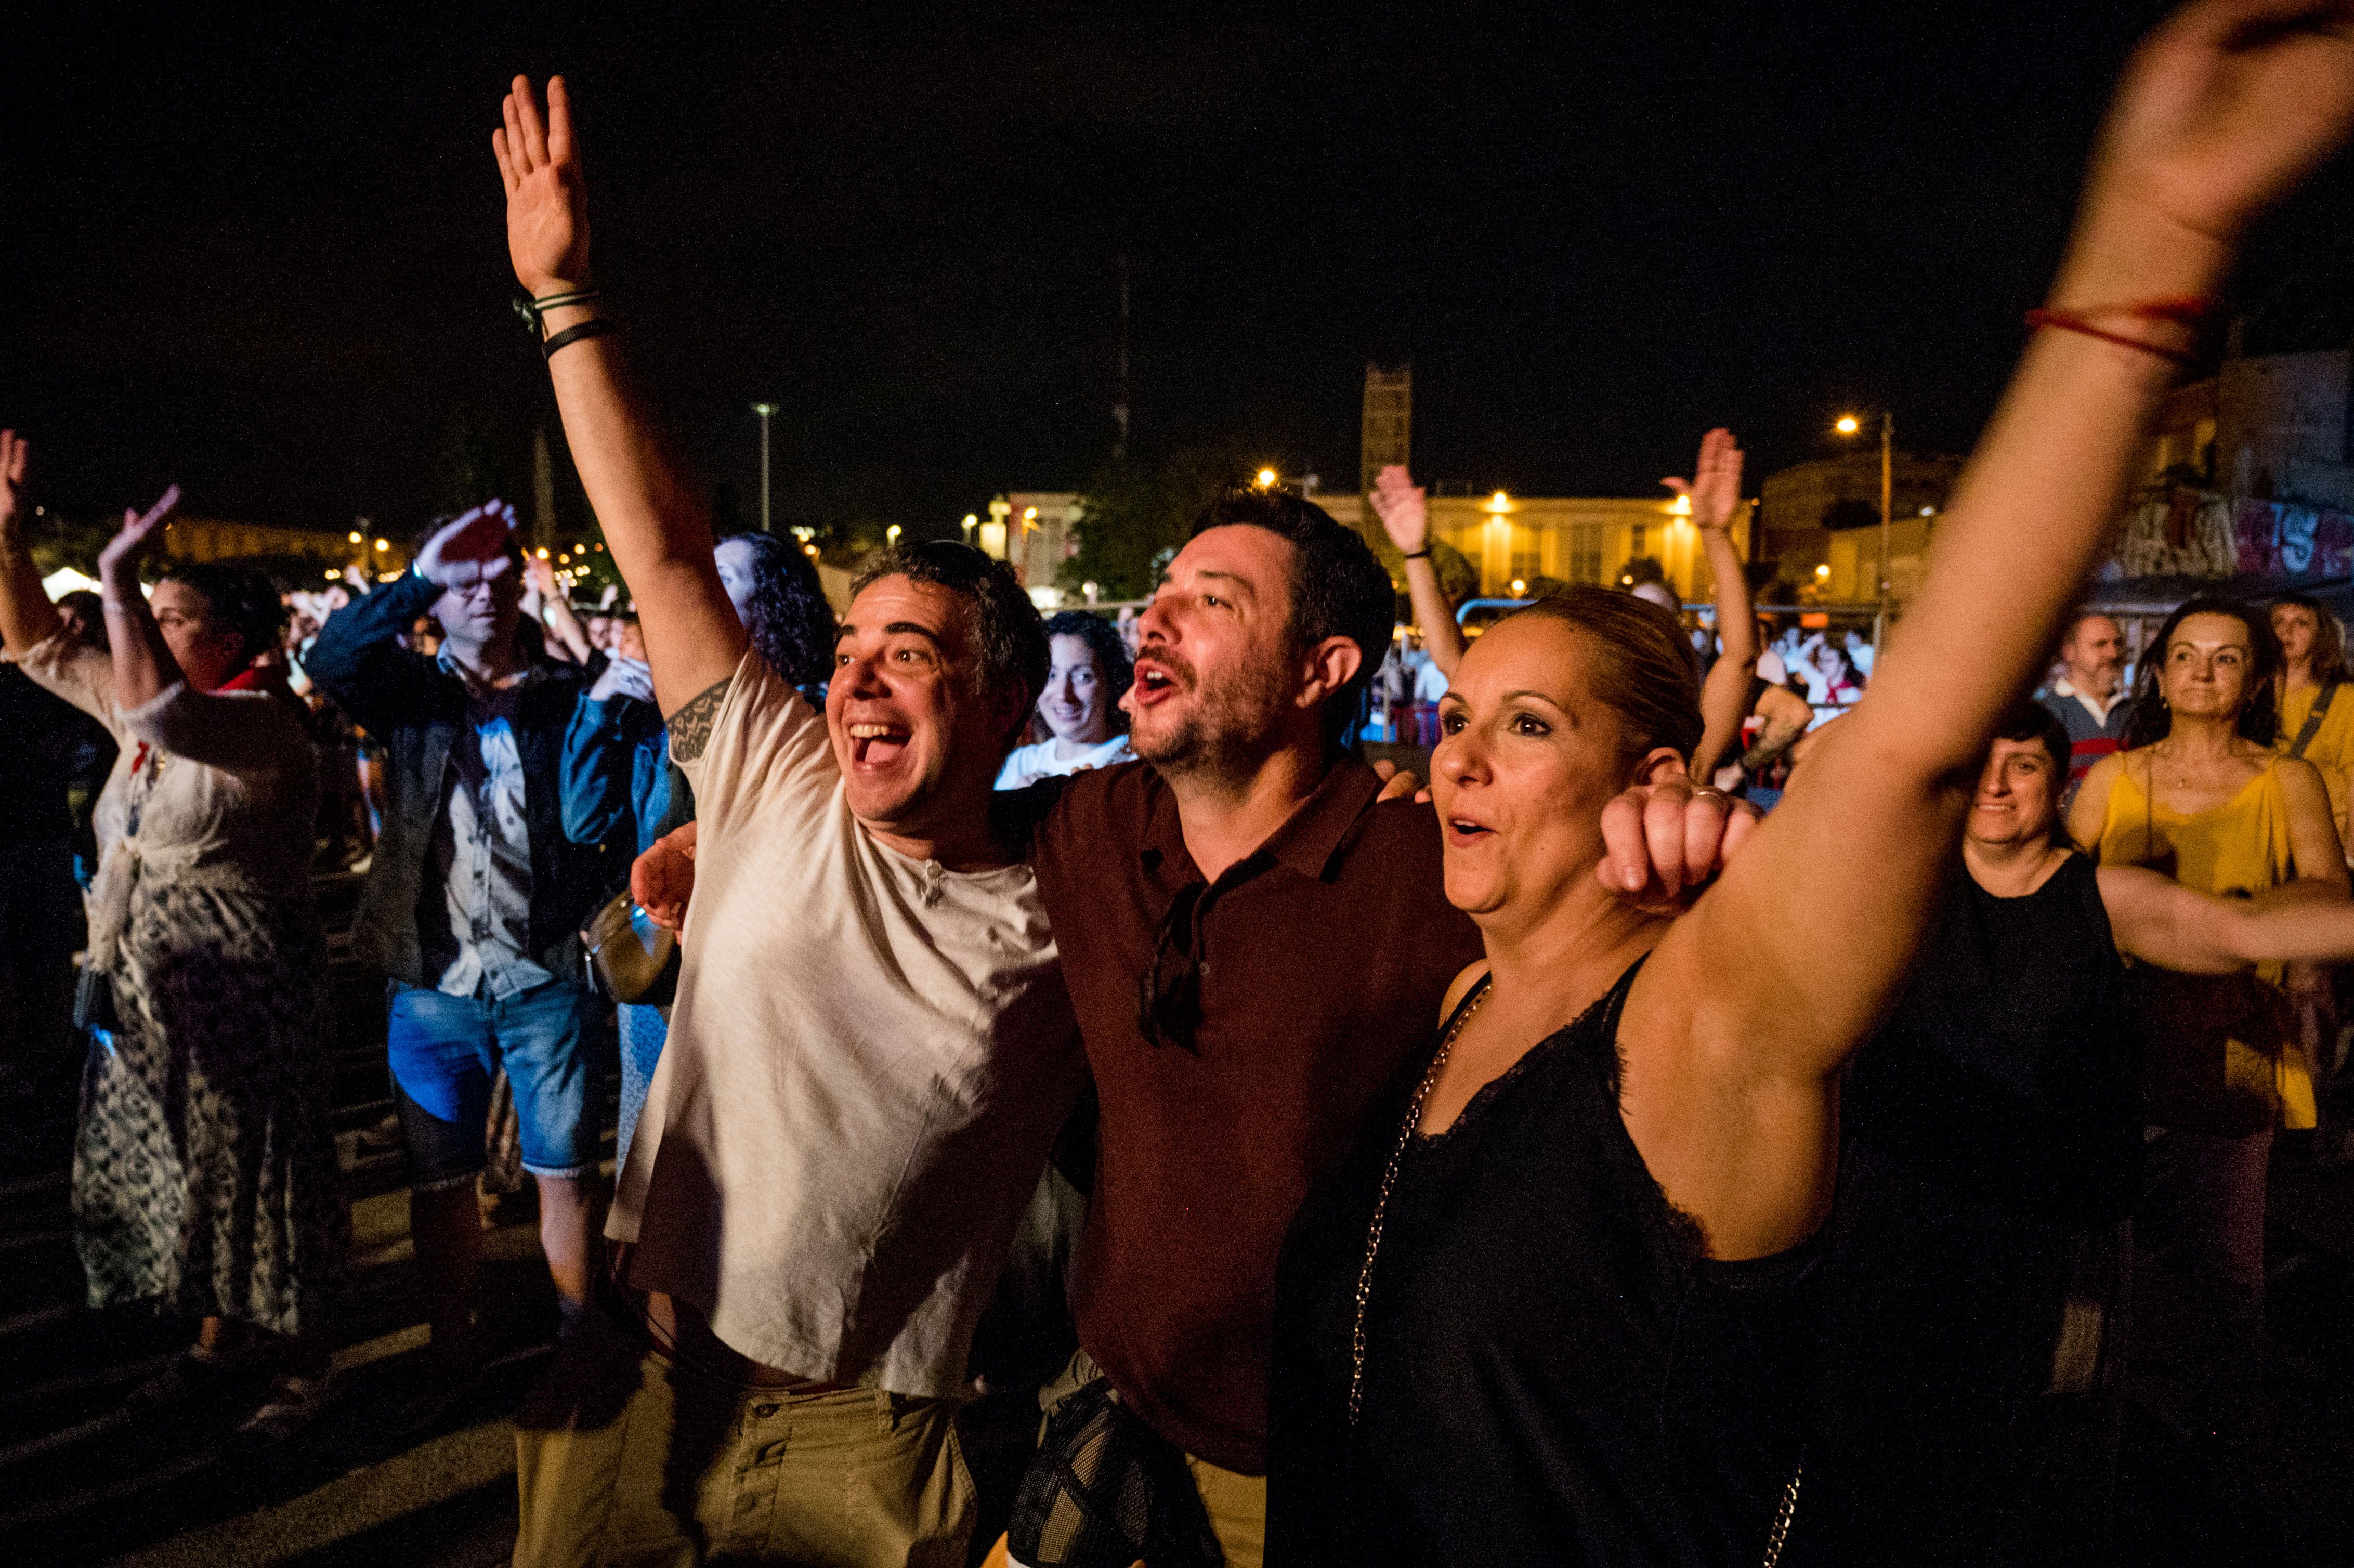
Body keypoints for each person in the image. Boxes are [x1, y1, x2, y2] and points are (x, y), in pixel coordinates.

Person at [1265, 9, 2354, 1561]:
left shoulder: (1706, 1025)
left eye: (1525, 730)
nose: (1455, 753)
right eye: (1462, 716)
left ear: (1655, 773)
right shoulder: (1463, 1013)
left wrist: (2145, 251)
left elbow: (1910, 738)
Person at [493, 83, 1089, 1566]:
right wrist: (567, 296)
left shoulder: (1075, 891)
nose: (862, 680)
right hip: (639, 1378)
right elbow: (669, 554)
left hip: (866, 1438)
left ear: (1009, 706)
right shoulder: (771, 771)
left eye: (916, 654)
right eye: (854, 645)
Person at [1813, 696, 2354, 1560]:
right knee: (1876, 1428)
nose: (1996, 782)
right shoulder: (1901, 877)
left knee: (2030, 1437)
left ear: (2057, 783)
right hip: (1897, 1204)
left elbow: (2238, 927)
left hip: (2042, 1226)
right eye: (1978, 761)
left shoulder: (2100, 894)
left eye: (2022, 764)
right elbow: (1827, 765)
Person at [0, 438, 344, 1436]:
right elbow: (37, 648)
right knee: (192, 1180)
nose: (145, 631)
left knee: (262, 1178)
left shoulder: (262, 723)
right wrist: (9, 540)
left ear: (234, 637)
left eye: (170, 617)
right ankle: (215, 1345)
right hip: (153, 995)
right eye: (147, 618)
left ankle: (310, 1359)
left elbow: (159, 704)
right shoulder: (149, 722)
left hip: (250, 996)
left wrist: (113, 574)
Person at [305, 499, 614, 1394]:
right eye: (460, 575)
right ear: (435, 595)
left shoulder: (563, 696)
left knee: (563, 1174)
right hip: (434, 983)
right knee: (440, 1182)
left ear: (523, 582)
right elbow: (330, 660)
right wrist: (415, 578)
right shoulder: (412, 693)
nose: (481, 589)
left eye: (497, 570)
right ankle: (451, 1343)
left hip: (545, 976)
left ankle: (576, 1336)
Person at [2067, 594, 2347, 1445]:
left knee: (2224, 1261)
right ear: (2156, 673)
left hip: (2237, 1035)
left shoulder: (2284, 779)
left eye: (2226, 657)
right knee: (2090, 1250)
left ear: (2254, 678)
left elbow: (2326, 894)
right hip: (2116, 1040)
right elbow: (2058, 894)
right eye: (2184, 654)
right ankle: (2083, 1422)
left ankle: (2217, 1443)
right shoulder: (2115, 776)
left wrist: (2294, 965)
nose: (2202, 670)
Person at [561, 529, 833, 1170]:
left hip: (762, 990)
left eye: (724, 580)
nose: (698, 594)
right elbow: (583, 819)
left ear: (776, 604)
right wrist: (603, 703)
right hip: (661, 988)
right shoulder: (657, 712)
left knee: (748, 1173)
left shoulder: (810, 716)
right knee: (653, 1169)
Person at [996, 610, 1136, 788]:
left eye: (1083, 677)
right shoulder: (1020, 764)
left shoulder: (1133, 763)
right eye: (1051, 676)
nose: (1064, 694)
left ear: (1110, 683)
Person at [2272, 590, 2354, 851]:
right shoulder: (2247, 694)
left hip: (2327, 837)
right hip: (2266, 833)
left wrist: (2352, 848)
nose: (2287, 630)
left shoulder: (2345, 698)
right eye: (2279, 622)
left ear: (2321, 635)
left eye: (2301, 623)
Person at [2038, 610, 2136, 788]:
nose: (2114, 653)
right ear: (2070, 653)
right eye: (2100, 645)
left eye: (2118, 643)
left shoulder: (2135, 714)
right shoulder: (2046, 714)